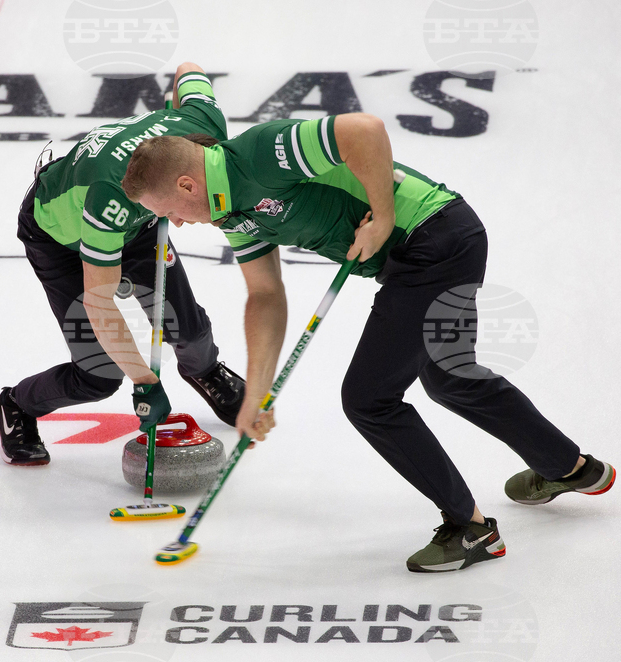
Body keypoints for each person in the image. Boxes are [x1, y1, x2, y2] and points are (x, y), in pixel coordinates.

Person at [120, 113, 615, 572]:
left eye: (170, 212)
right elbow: (266, 294)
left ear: (187, 184)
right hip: (428, 250)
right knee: (450, 378)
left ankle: (472, 530)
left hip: (433, 239)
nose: (179, 224)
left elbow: (364, 130)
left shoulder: (256, 153)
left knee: (369, 399)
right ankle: (568, 467)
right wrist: (258, 391)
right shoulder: (228, 211)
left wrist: (380, 216)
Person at [0, 63, 245, 467]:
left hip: (137, 221)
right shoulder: (110, 200)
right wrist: (144, 382)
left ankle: (206, 371)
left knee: (189, 330)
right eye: (172, 213)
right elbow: (100, 301)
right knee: (99, 374)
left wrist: (173, 106)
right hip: (59, 237)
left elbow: (189, 70)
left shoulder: (203, 122)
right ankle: (16, 404)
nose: (177, 221)